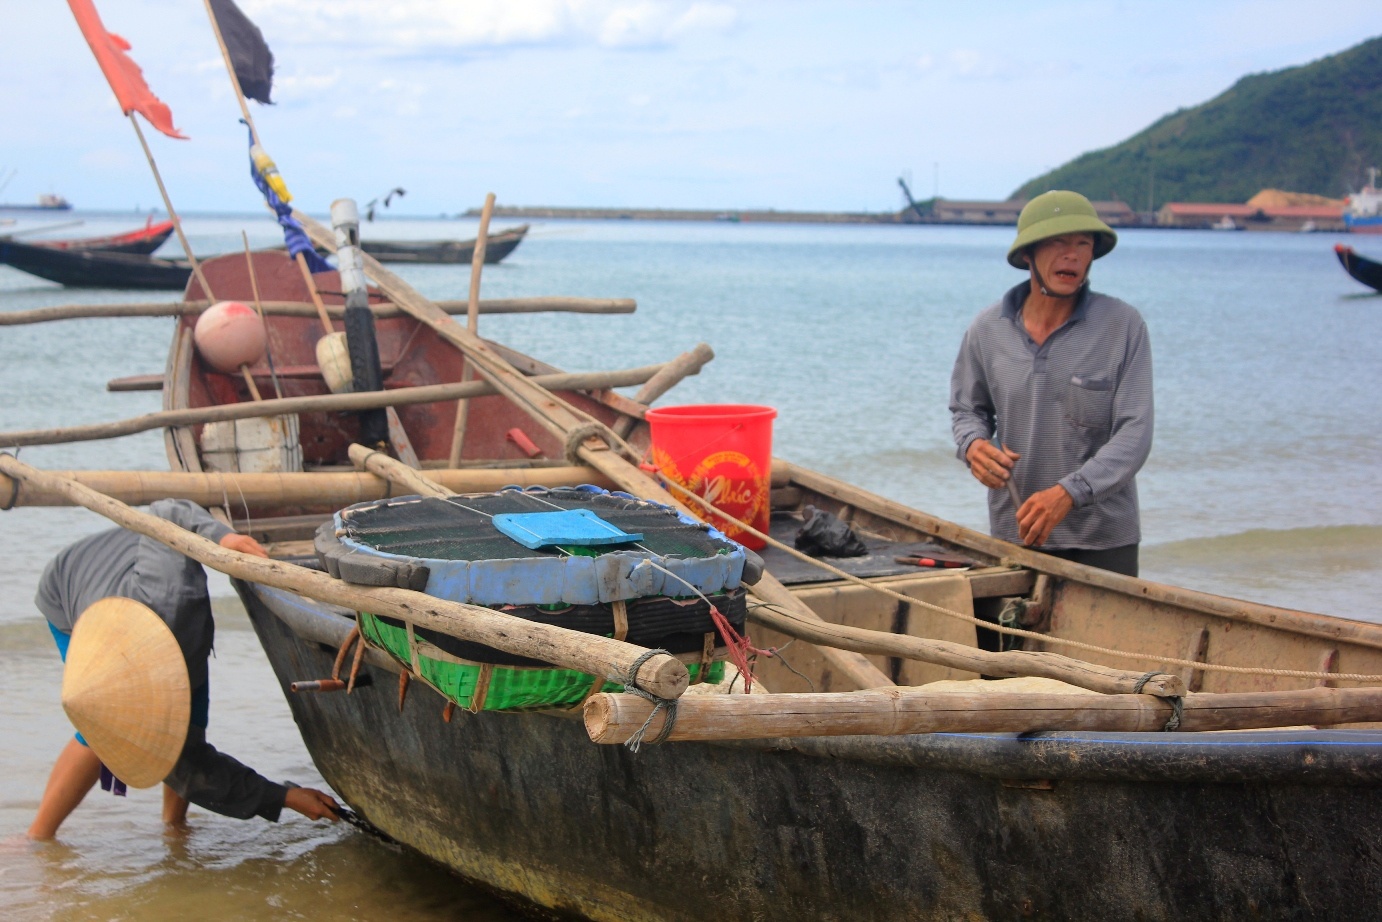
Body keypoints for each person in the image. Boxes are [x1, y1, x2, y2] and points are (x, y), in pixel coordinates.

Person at [28, 499, 340, 839]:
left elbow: (169, 512)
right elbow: (186, 766)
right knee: (100, 728)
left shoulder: (171, 602)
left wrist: (222, 538)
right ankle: (38, 836)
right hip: (69, 587)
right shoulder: (120, 688)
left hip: (146, 580)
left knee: (188, 727)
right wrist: (283, 797)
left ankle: (174, 826)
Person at [949, 190, 1153, 577]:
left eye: (1082, 244)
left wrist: (1069, 493)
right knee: (1007, 641)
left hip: (1105, 541)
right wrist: (973, 446)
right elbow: (966, 409)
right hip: (1016, 534)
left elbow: (1136, 433)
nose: (1072, 255)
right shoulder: (987, 330)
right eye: (1058, 243)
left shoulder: (1123, 326)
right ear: (1028, 254)